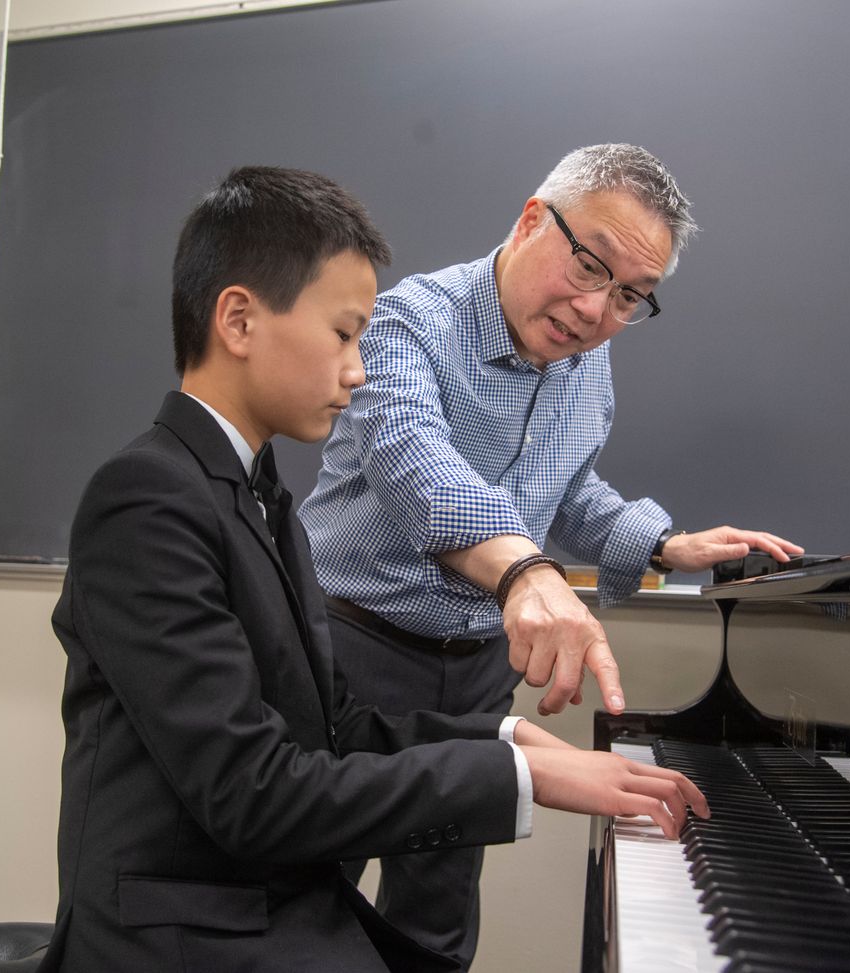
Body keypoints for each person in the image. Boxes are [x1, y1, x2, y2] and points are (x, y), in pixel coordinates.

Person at [40, 166, 707, 973]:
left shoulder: (262, 497)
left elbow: (332, 729)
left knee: (435, 939)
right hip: (186, 929)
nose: (358, 370)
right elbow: (258, 793)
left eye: (631, 297)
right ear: (240, 322)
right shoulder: (145, 496)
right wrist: (514, 761)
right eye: (346, 334)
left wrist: (511, 740)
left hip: (261, 885)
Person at [298, 142, 799, 963]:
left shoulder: (587, 364)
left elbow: (566, 493)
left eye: (631, 295)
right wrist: (527, 571)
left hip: (476, 669)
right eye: (590, 267)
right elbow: (414, 461)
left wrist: (668, 547)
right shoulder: (409, 320)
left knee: (437, 913)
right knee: (306, 892)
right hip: (354, 650)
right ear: (533, 220)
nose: (597, 310)